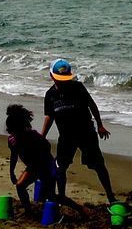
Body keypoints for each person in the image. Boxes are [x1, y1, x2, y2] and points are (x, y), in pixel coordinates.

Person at [41, 58, 116, 205]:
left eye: (65, 79)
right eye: (59, 79)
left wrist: (100, 125)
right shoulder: (50, 95)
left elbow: (92, 105)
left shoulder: (78, 88)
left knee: (98, 164)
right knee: (60, 168)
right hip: (66, 136)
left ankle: (111, 196)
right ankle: (61, 197)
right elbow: (49, 116)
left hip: (86, 133)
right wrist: (42, 136)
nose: (63, 82)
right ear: (51, 76)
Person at [5, 104, 78, 215]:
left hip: (46, 165)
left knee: (51, 196)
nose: (14, 134)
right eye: (11, 132)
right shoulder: (12, 140)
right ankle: (28, 211)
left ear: (22, 128)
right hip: (33, 167)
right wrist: (11, 172)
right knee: (20, 186)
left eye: (16, 132)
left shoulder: (33, 136)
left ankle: (79, 208)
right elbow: (14, 156)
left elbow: (47, 147)